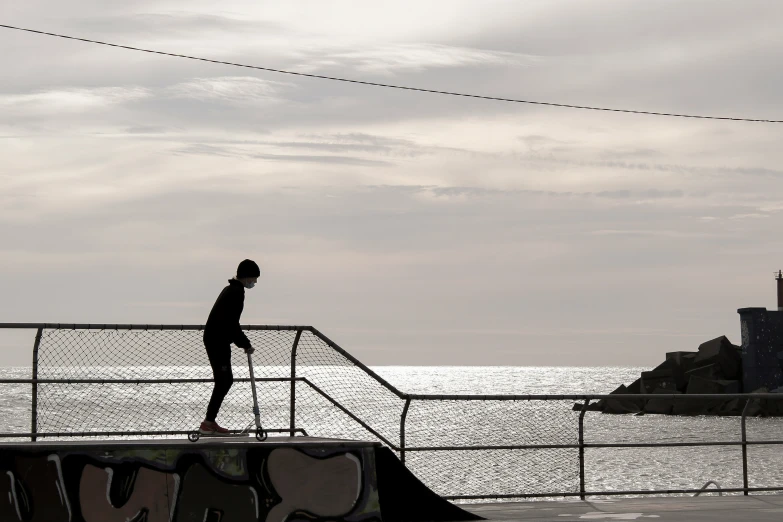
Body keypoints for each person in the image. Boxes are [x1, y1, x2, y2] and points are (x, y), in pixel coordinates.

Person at [200, 259, 260, 435]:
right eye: (254, 278)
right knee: (224, 380)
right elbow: (232, 323)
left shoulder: (231, 289)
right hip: (217, 340)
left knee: (224, 380)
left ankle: (209, 422)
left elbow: (230, 323)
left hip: (217, 339)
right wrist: (245, 344)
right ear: (246, 276)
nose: (254, 282)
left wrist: (241, 342)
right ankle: (208, 423)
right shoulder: (236, 292)